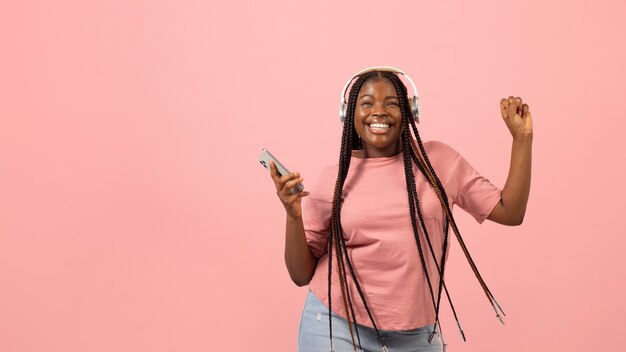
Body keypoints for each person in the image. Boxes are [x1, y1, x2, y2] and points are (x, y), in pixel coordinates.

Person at [267, 67, 533, 352]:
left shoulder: (440, 162)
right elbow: (300, 275)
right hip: (335, 326)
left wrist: (522, 139)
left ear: (410, 111)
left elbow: (510, 212)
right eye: (367, 103)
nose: (379, 112)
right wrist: (293, 215)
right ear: (349, 114)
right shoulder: (333, 179)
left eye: (392, 103)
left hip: (416, 334)